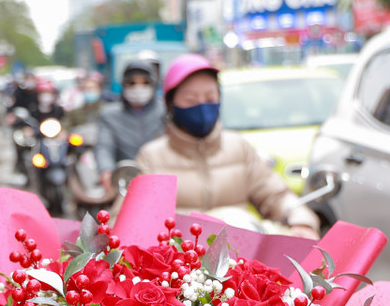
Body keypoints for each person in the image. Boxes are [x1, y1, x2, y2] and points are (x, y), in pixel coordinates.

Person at [135, 53, 321, 239]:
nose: (201, 106)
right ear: (170, 104)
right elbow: (132, 223)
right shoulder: (151, 157)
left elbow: (275, 195)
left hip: (239, 256)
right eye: (191, 100)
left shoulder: (238, 147)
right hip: (180, 261)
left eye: (210, 98)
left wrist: (301, 219)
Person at [95, 59, 167, 193]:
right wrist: (106, 170)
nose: (138, 88)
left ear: (153, 85)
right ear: (124, 86)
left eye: (145, 83)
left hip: (162, 181)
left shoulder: (166, 111)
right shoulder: (109, 116)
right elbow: (104, 148)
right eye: (132, 83)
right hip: (125, 183)